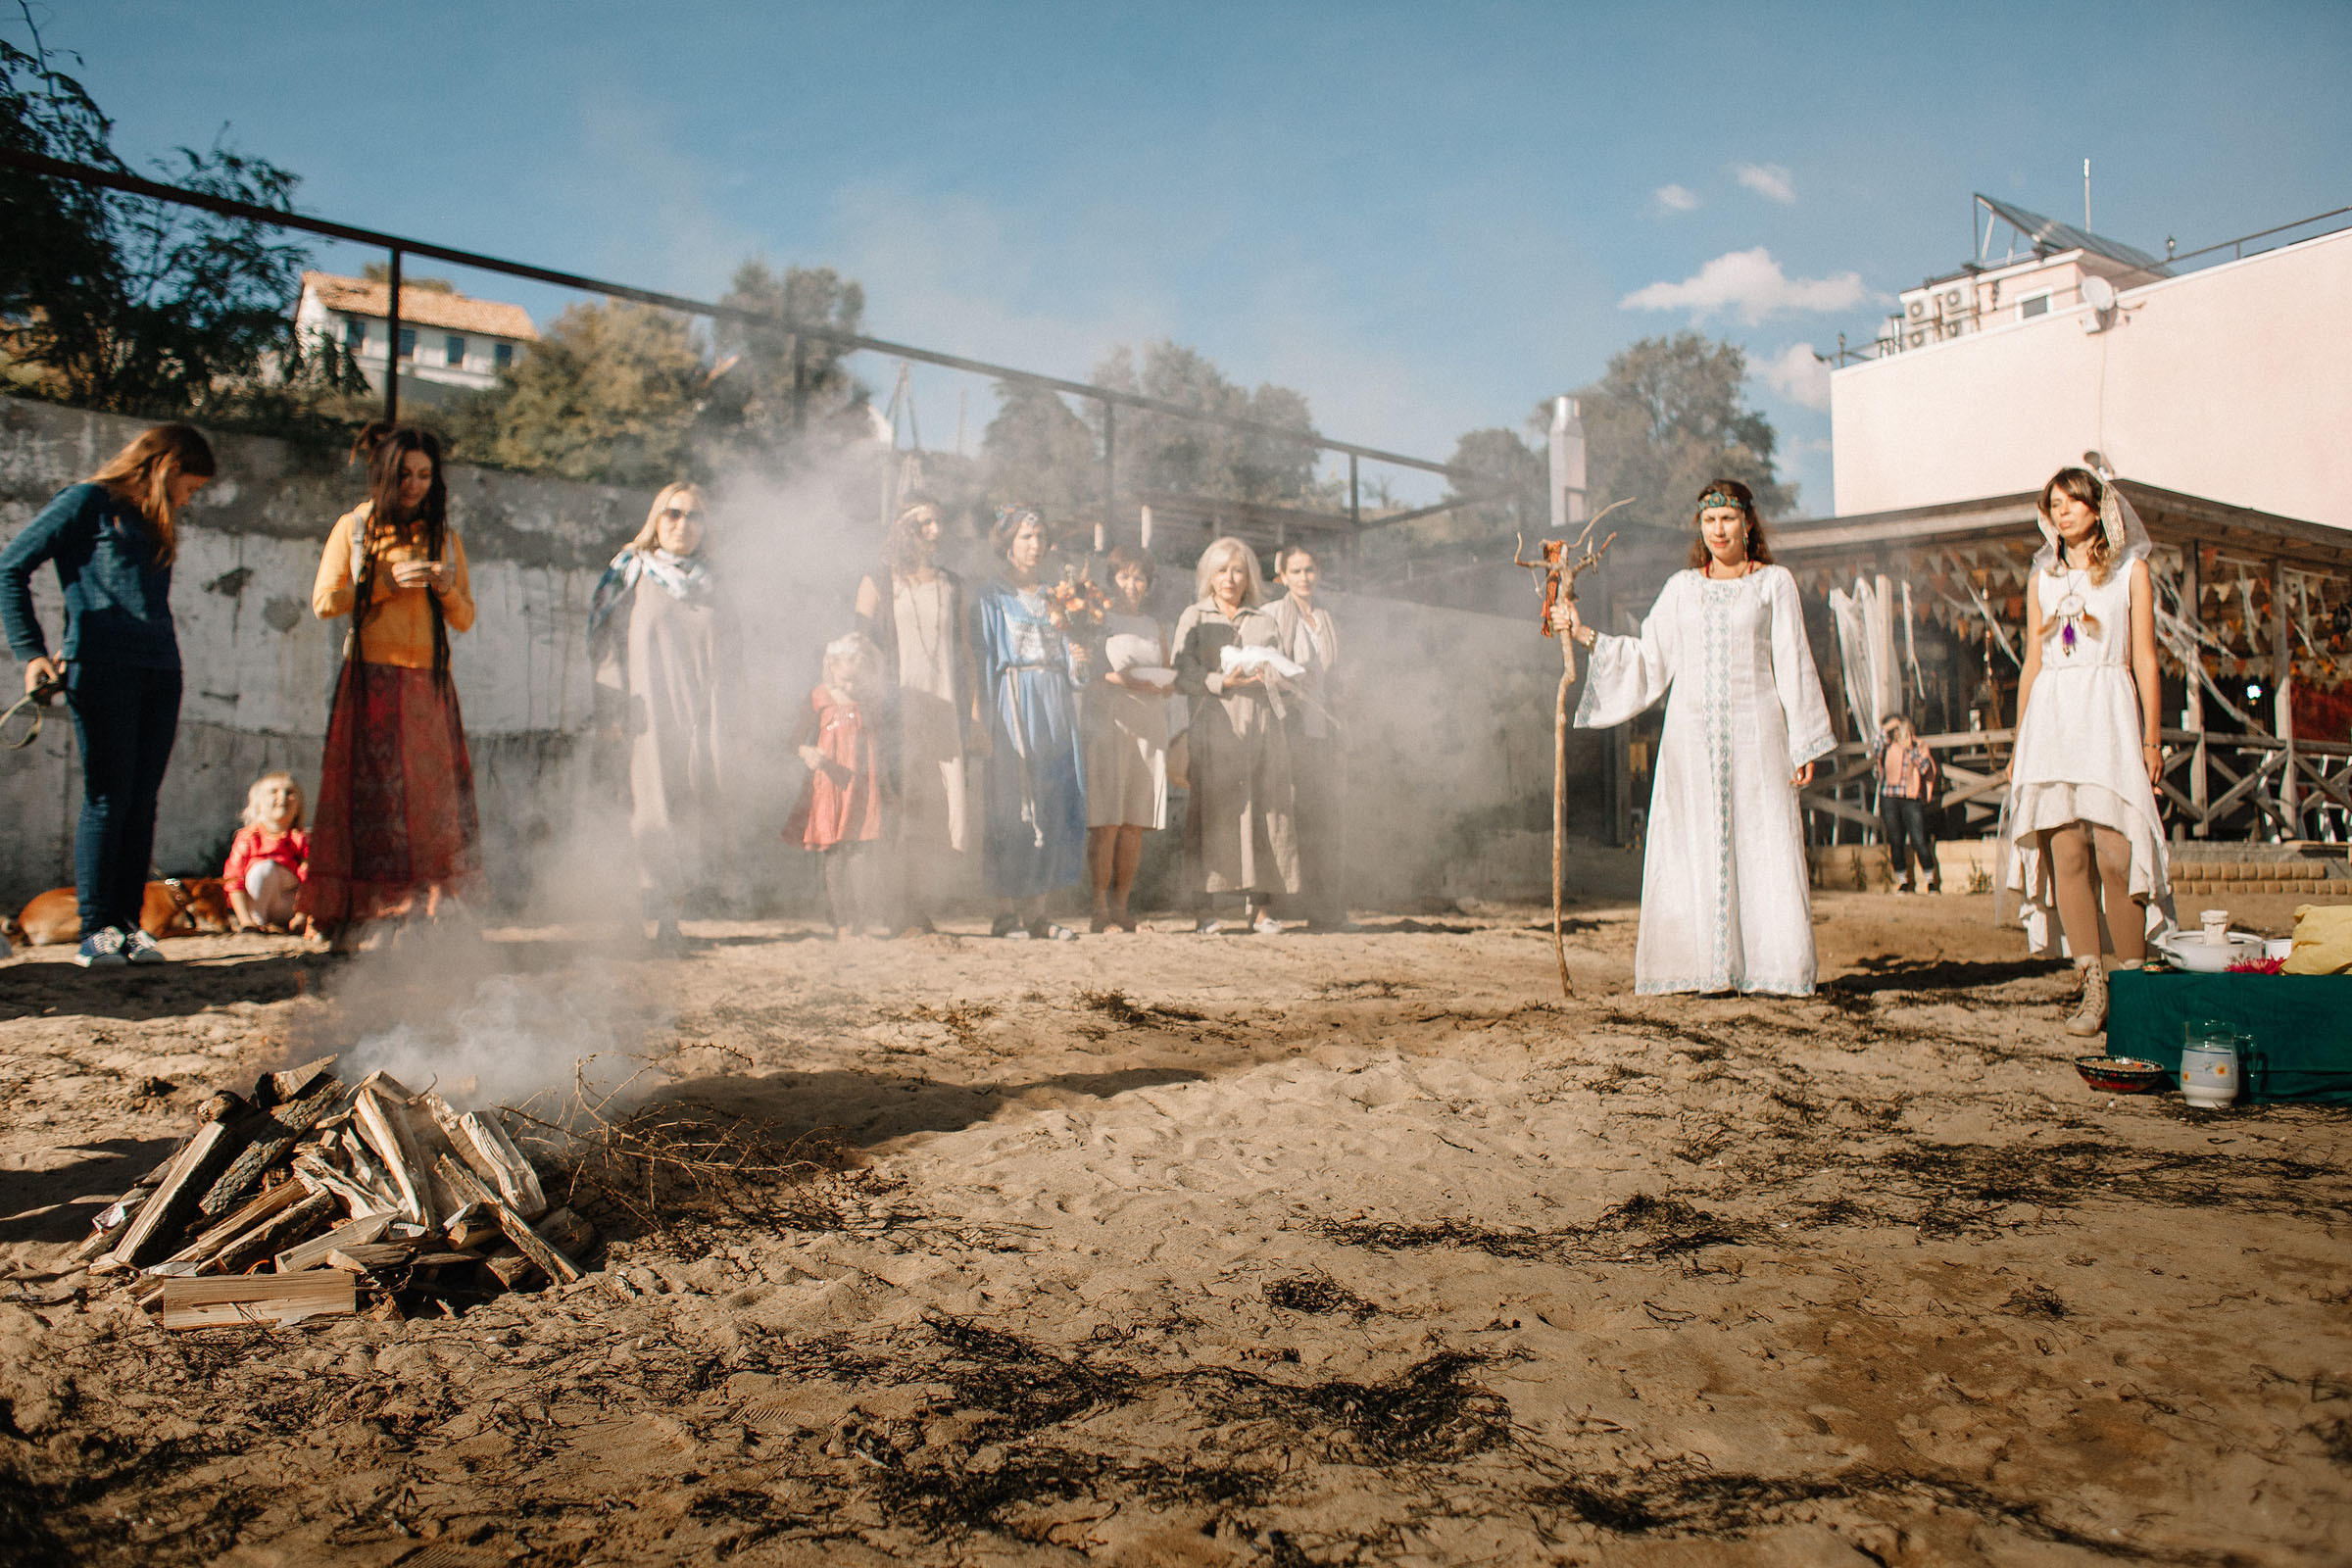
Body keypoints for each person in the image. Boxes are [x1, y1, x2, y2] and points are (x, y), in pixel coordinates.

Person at [1556, 478, 1836, 995]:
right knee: (1692, 841)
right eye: (1709, 521)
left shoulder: (1774, 584)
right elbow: (1648, 658)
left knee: (1762, 840)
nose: (1718, 530)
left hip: (1757, 734)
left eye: (1727, 519)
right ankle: (1702, 966)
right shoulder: (1682, 589)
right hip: (1691, 740)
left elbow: (1794, 662)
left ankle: (1770, 968)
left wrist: (1805, 740)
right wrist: (1582, 632)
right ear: (1700, 527)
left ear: (1747, 522)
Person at [0, 423, 215, 966]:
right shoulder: (87, 502)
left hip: (161, 670)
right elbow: (10, 567)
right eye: (190, 485)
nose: (191, 498)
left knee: (142, 802)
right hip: (100, 668)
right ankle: (96, 929)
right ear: (166, 466)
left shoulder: (153, 520)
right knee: (107, 798)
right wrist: (33, 654)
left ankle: (128, 926)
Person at [2001, 466, 2172, 1036]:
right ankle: (2092, 985)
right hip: (2052, 716)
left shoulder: (2131, 572)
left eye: (2073, 500)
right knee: (2066, 854)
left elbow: (2145, 659)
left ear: (2098, 508)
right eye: (2054, 503)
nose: (2062, 511)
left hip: (2108, 710)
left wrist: (2152, 738)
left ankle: (2134, 984)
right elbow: (2032, 662)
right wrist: (2020, 739)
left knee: (2116, 853)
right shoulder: (2042, 578)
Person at [297, 424, 480, 948]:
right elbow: (324, 602)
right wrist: (384, 583)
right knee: (371, 801)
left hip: (429, 685)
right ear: (384, 473)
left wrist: (445, 590)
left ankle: (427, 913)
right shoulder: (354, 528)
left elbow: (465, 618)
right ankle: (366, 915)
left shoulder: (444, 536)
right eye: (405, 474)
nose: (416, 485)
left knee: (430, 804)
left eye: (426, 475)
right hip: (371, 682)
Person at [590, 481, 730, 949]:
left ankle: (671, 924)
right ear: (656, 518)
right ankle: (627, 922)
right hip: (641, 718)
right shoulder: (630, 571)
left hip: (697, 720)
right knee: (641, 814)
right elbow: (604, 645)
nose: (682, 524)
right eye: (672, 514)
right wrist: (610, 707)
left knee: (688, 814)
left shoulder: (714, 583)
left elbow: (732, 659)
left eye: (693, 516)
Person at [855, 494, 976, 934]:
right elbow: (859, 649)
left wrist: (976, 716)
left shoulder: (953, 585)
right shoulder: (879, 580)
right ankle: (888, 907)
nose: (935, 531)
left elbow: (965, 653)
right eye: (925, 522)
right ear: (903, 527)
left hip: (943, 711)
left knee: (934, 809)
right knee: (896, 805)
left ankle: (916, 905)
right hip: (896, 712)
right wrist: (864, 705)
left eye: (939, 521)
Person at [969, 505, 1090, 940]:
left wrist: (1079, 662)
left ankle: (1038, 914)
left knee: (1053, 801)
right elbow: (980, 662)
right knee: (1012, 805)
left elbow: (1074, 669)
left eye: (1040, 538)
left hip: (1055, 704)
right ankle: (1005, 914)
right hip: (1013, 706)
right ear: (1007, 543)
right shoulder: (991, 597)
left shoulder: (1060, 597)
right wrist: (979, 719)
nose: (1035, 546)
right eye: (1025, 537)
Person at [1171, 536, 1299, 935]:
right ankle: (1205, 910)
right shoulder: (1194, 615)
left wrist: (1270, 673)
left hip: (1261, 725)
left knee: (1265, 811)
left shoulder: (1264, 620)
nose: (1230, 578)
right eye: (1222, 570)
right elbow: (1181, 672)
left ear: (1250, 577)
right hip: (1216, 724)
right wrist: (1218, 680)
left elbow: (1284, 668)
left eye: (1238, 570)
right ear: (1209, 574)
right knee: (1210, 813)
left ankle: (1261, 909)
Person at [1083, 547, 1173, 932]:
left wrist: (1158, 685)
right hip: (1111, 723)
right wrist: (1124, 681)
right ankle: (1099, 908)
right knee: (1107, 822)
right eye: (1124, 576)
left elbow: (1169, 677)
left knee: (1134, 823)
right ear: (1112, 579)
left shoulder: (1154, 625)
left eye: (1139, 578)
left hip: (1149, 724)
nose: (1131, 585)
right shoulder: (1097, 620)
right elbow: (1087, 671)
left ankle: (1122, 906)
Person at [1269, 543, 1355, 931]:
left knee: (1326, 821)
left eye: (1310, 570)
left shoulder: (1326, 619)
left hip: (1324, 733)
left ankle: (1327, 911)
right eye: (1296, 571)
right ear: (1282, 576)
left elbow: (1333, 675)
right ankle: (1271, 911)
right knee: (1284, 820)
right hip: (1289, 729)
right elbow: (1266, 670)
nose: (1304, 578)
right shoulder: (1273, 616)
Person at [786, 633, 891, 940]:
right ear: (830, 665)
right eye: (845, 681)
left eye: (856, 681)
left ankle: (862, 923)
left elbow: (879, 747)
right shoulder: (818, 698)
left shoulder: (869, 701)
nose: (850, 687)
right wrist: (808, 753)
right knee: (835, 854)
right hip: (830, 787)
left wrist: (886, 786)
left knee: (860, 853)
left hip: (862, 786)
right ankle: (841, 923)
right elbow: (794, 742)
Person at [222, 771, 310, 933]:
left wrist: (302, 915)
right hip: (256, 904)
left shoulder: (302, 839)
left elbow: (309, 878)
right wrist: (245, 921)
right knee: (264, 869)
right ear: (259, 804)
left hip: (289, 905)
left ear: (299, 806)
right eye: (273, 792)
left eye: (290, 793)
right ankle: (256, 922)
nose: (282, 797)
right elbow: (233, 880)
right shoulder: (248, 837)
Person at [1876, 714, 1940, 894]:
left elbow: (1925, 768)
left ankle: (1930, 881)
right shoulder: (1887, 745)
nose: (1900, 733)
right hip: (1890, 796)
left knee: (1919, 839)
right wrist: (1887, 728)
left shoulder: (1920, 745)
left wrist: (1910, 749)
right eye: (1897, 730)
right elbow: (1876, 746)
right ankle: (1903, 881)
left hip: (1911, 797)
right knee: (1895, 840)